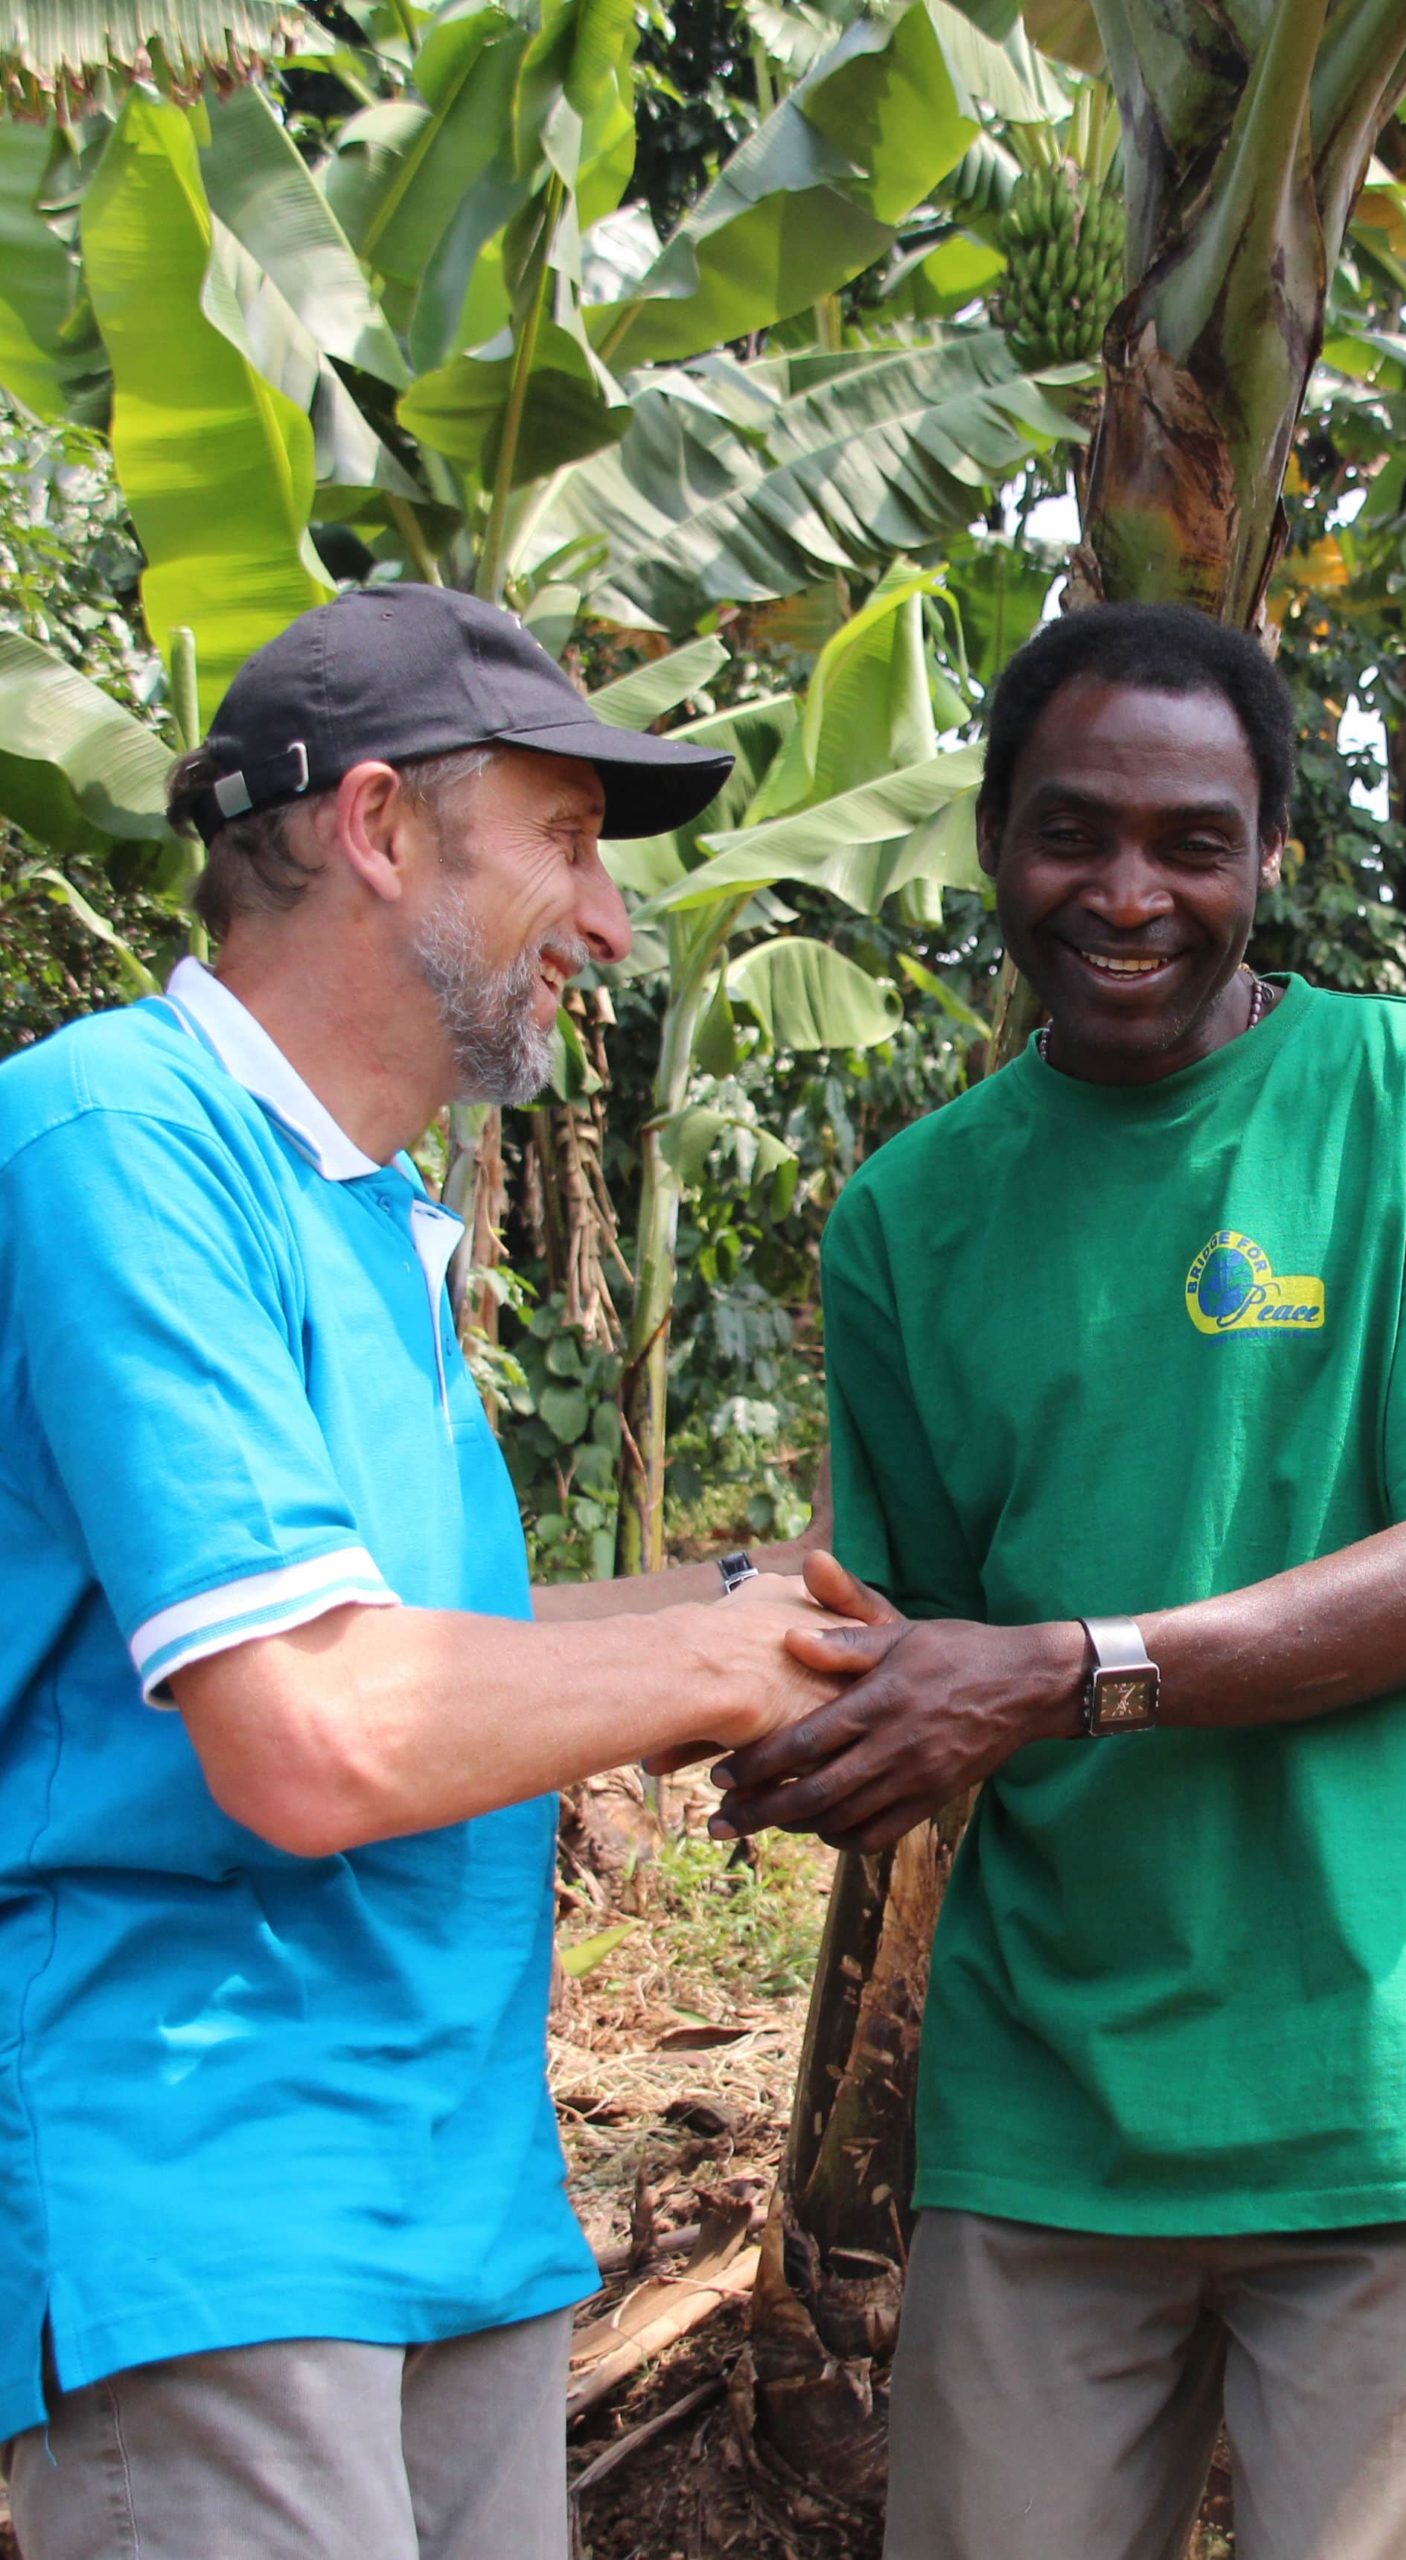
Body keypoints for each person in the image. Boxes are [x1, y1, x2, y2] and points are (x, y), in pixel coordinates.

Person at [710, 602, 1406, 2560]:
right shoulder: (906, 1218)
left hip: (1383, 2078)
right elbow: (905, 1645)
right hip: (1049, 2095)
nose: (1126, 890)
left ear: (1268, 859)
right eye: (1071, 831)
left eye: (1189, 840)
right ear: (992, 841)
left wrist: (1054, 1671)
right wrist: (777, 1724)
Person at [0, 585, 857, 2560]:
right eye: (566, 838)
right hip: (219, 2186)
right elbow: (311, 1727)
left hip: (442, 2189)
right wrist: (723, 1667)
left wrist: (764, 1593)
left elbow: (420, 1646)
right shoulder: (121, 1139)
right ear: (379, 829)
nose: (611, 917)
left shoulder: (358, 1214)